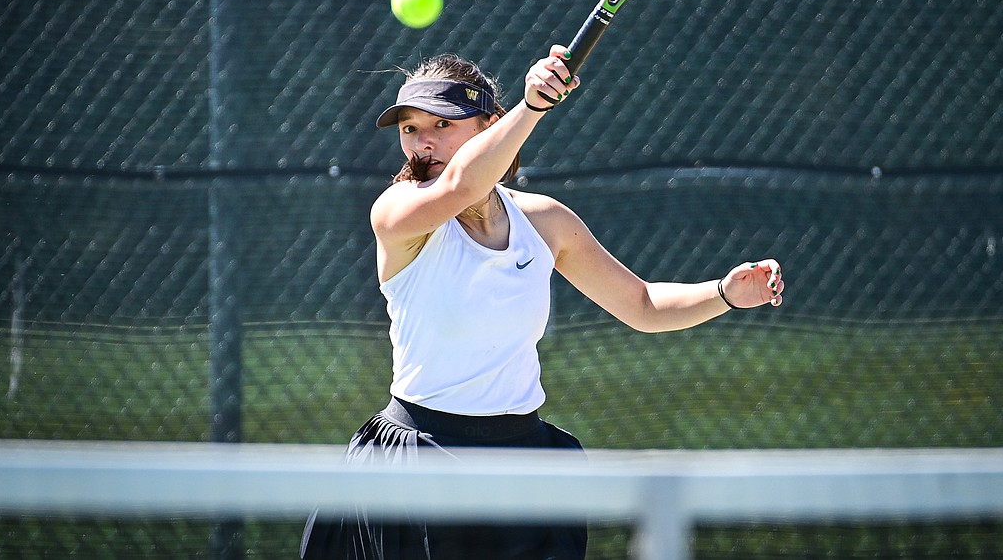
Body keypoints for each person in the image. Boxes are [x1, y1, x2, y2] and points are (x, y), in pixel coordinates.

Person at [301, 46, 784, 560]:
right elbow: (463, 183)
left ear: (487, 126)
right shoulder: (398, 213)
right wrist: (530, 106)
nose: (422, 142)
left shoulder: (546, 222)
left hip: (523, 459)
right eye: (410, 129)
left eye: (442, 125)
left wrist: (725, 293)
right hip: (420, 459)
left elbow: (641, 305)